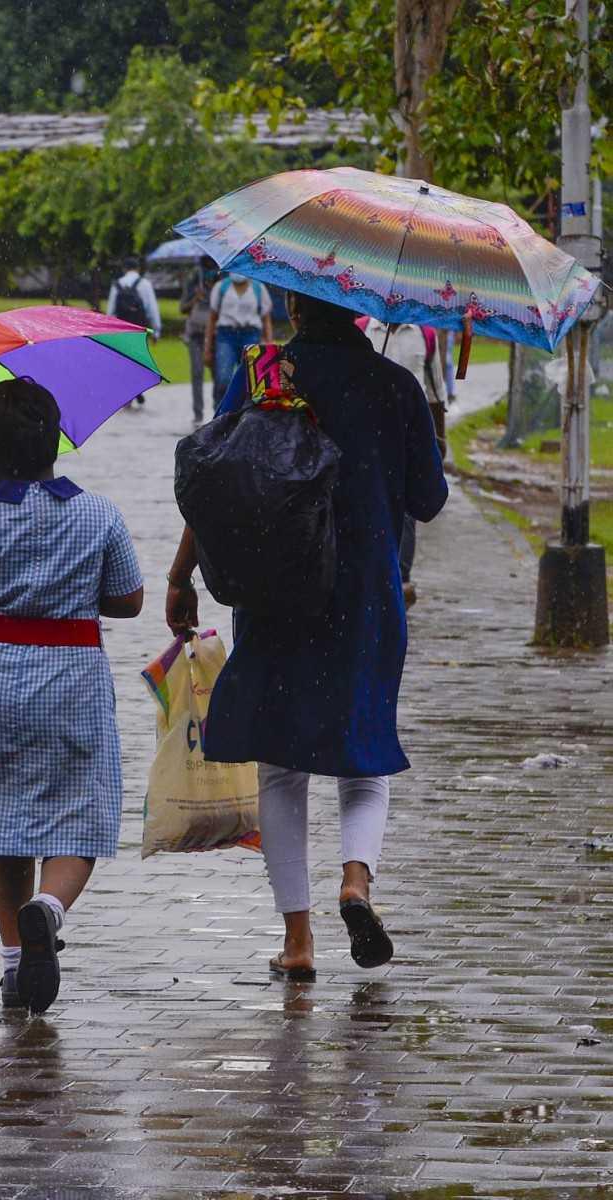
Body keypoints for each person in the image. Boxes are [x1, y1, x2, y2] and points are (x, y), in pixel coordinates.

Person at [165, 290, 447, 982]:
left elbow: (216, 483)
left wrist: (180, 577)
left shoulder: (261, 372)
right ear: (359, 306)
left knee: (280, 767)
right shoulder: (395, 384)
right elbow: (429, 501)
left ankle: (298, 941)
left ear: (292, 302)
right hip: (365, 597)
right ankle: (355, 881)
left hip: (275, 592)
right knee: (365, 754)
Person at [0, 378, 144, 1015]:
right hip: (74, 682)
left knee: (6, 828)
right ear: (57, 443)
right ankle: (48, 910)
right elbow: (129, 600)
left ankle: (15, 965)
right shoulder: (99, 514)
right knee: (81, 813)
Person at [361, 317, 445, 608]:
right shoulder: (362, 330)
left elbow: (435, 392)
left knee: (405, 510)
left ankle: (399, 576)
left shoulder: (426, 335)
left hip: (408, 437)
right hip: (367, 437)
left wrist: (438, 440)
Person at [203, 274, 274, 400]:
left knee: (250, 379)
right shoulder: (221, 287)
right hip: (226, 335)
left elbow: (266, 319)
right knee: (223, 378)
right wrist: (207, 348)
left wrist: (269, 342)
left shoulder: (259, 288)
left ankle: (244, 411)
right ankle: (220, 410)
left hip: (251, 335)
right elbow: (212, 318)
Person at [105, 258, 162, 407]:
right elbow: (152, 309)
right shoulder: (144, 284)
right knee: (138, 361)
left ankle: (130, 394)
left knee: (124, 362)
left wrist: (108, 332)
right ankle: (137, 391)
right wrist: (156, 331)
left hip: (122, 330)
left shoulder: (117, 285)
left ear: (124, 268)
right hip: (139, 329)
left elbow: (111, 311)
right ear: (137, 268)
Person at [181, 259, 216, 425]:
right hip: (196, 334)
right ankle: (198, 413)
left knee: (221, 376)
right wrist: (196, 297)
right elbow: (182, 308)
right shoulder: (194, 278)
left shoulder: (223, 278)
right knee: (197, 372)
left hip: (217, 334)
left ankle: (219, 410)